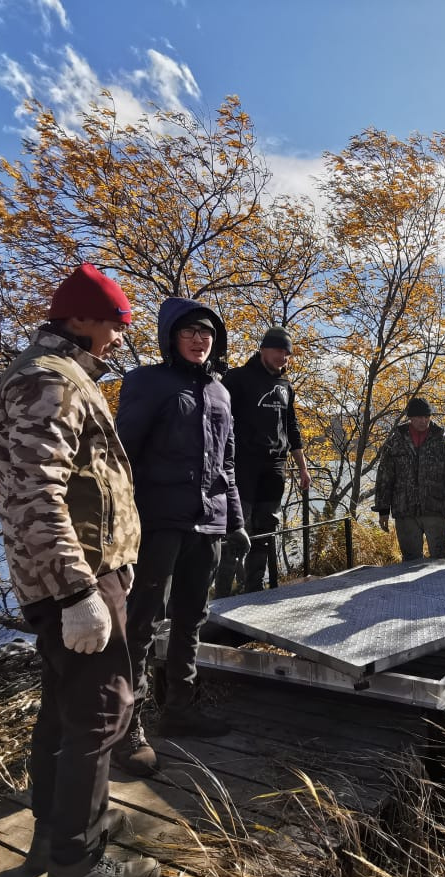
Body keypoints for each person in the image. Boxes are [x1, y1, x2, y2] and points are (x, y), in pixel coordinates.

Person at [0, 263, 160, 877]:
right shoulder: (47, 380)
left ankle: (54, 836)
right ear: (81, 319)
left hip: (78, 575)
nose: (120, 334)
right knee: (102, 714)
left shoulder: (54, 374)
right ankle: (77, 871)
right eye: (115, 321)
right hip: (81, 577)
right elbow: (38, 494)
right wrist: (78, 591)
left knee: (63, 708)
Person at [115, 299, 249, 756]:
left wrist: (235, 521)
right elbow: (121, 458)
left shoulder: (220, 391)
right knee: (141, 624)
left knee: (192, 617)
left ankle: (180, 709)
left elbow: (227, 463)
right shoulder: (147, 382)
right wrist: (122, 523)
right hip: (160, 521)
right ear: (171, 336)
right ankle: (127, 727)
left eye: (207, 333)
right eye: (190, 331)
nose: (199, 339)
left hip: (208, 523)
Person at [214, 325, 311, 597]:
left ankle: (255, 589)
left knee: (266, 529)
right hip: (243, 466)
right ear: (263, 349)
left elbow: (292, 427)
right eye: (279, 350)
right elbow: (218, 422)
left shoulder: (285, 386)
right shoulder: (237, 379)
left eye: (288, 353)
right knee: (237, 528)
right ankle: (222, 594)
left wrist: (302, 467)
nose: (283, 357)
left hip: (274, 468)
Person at [374, 397, 445, 560]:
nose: (424, 421)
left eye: (427, 417)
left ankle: (442, 586)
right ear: (410, 417)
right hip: (405, 512)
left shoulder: (442, 440)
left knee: (442, 560)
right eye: (419, 417)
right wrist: (383, 510)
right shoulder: (395, 441)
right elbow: (385, 477)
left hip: (435, 510)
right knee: (410, 560)